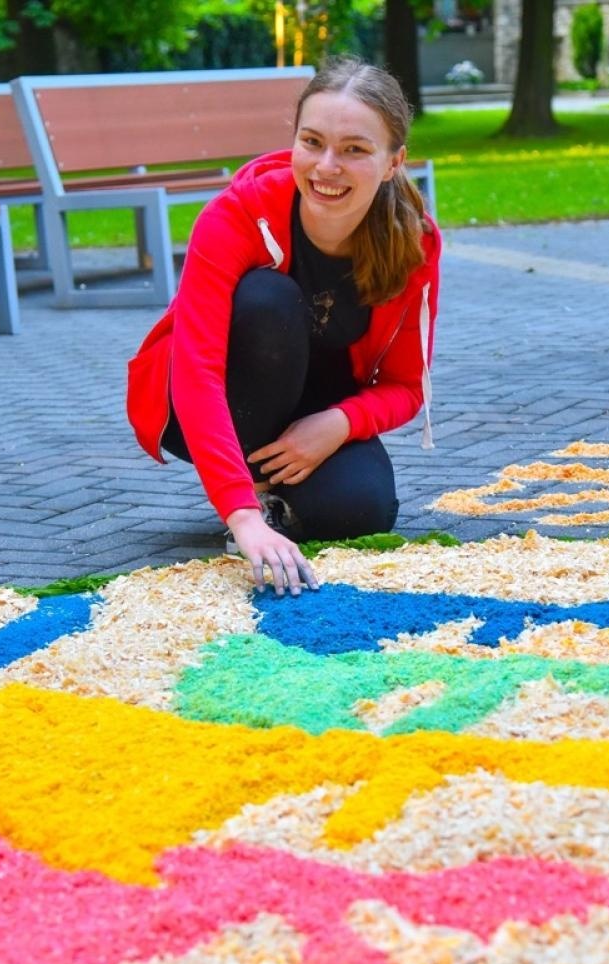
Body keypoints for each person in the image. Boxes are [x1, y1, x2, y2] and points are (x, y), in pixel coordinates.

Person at [126, 57, 441, 597]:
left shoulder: (414, 243)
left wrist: (339, 423)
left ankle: (279, 497)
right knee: (268, 300)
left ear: (394, 162)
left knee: (362, 509)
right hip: (209, 398)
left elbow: (407, 387)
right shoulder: (233, 217)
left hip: (315, 408)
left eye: (354, 149)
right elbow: (197, 373)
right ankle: (250, 498)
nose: (326, 166)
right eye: (311, 142)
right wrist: (241, 516)